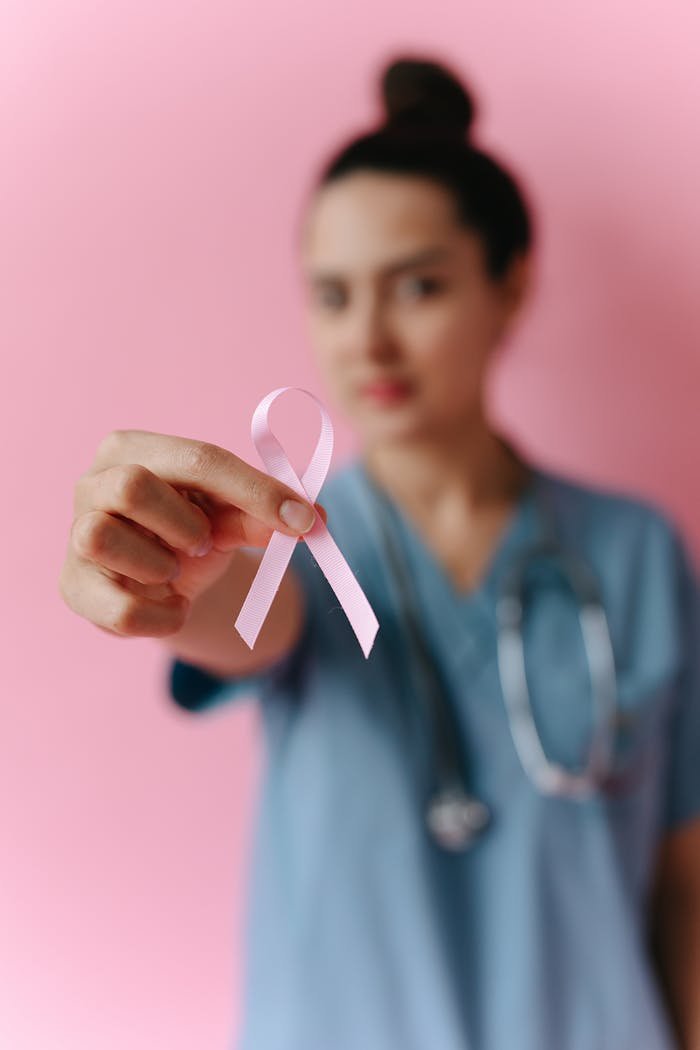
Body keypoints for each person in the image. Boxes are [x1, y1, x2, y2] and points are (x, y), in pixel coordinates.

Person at [59, 55, 700, 1050]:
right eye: (332, 296)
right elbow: (243, 617)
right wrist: (175, 567)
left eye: (418, 287)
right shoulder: (291, 544)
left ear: (510, 285)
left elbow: (685, 882)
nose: (368, 341)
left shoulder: (634, 553)